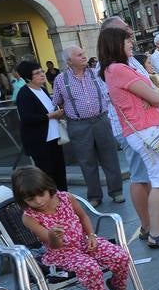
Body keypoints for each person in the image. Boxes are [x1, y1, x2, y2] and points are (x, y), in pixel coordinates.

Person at [100, 21, 159, 249]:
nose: (131, 43)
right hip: (144, 131)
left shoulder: (116, 68)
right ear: (115, 44)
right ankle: (155, 232)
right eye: (126, 40)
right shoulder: (118, 69)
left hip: (146, 129)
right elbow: (155, 97)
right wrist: (157, 94)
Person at [14, 166, 134, 290]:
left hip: (84, 241)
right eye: (30, 199)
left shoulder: (66, 198)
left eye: (41, 194)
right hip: (62, 254)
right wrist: (54, 236)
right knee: (90, 268)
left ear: (48, 187)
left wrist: (91, 235)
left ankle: (118, 286)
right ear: (23, 200)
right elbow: (54, 245)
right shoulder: (29, 218)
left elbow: (83, 216)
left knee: (120, 256)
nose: (38, 201)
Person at [52, 45, 124, 208]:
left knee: (110, 157)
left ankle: (116, 191)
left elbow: (110, 93)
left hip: (101, 120)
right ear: (69, 61)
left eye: (83, 53)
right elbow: (56, 102)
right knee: (87, 162)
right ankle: (94, 196)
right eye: (79, 55)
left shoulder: (96, 73)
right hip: (78, 125)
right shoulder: (60, 80)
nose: (84, 57)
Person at [13, 60, 67, 191]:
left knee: (60, 171)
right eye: (37, 73)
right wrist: (51, 115)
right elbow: (27, 118)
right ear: (28, 77)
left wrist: (58, 112)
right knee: (47, 175)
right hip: (40, 141)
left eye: (42, 71)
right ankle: (52, 204)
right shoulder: (24, 94)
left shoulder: (43, 90)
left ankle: (64, 200)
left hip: (54, 138)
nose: (42, 74)